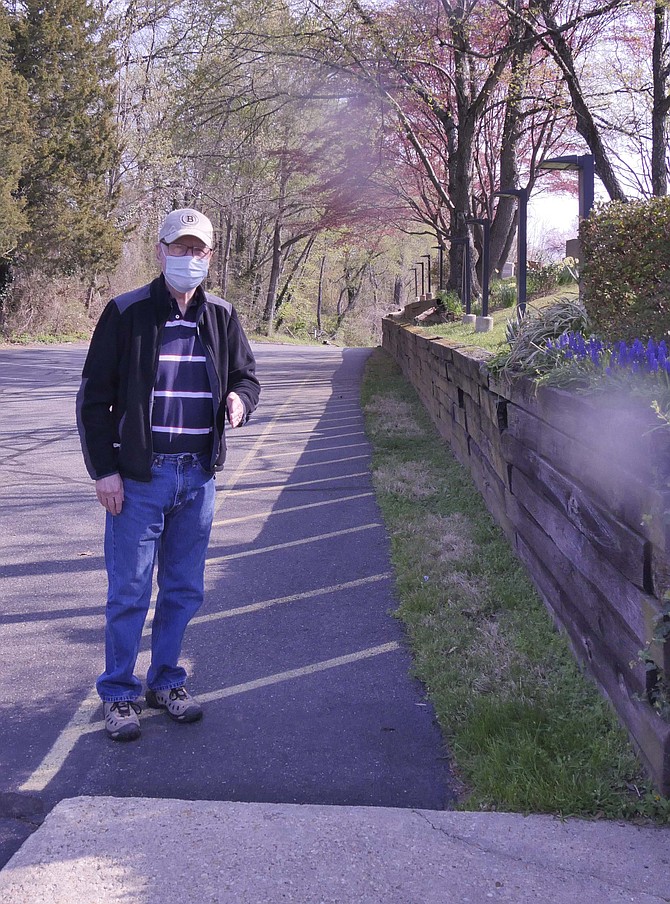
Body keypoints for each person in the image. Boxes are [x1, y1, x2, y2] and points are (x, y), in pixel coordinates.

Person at [76, 207, 260, 742]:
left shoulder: (222, 316)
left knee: (182, 589)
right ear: (160, 251)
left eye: (198, 249)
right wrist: (105, 471)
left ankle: (166, 682)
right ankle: (118, 694)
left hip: (198, 478)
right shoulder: (126, 312)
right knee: (129, 591)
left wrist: (238, 401)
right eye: (179, 248)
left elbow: (247, 378)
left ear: (210, 256)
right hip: (139, 479)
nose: (189, 258)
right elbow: (94, 399)